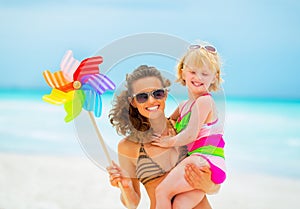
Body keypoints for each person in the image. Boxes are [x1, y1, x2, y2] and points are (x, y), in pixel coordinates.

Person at [107, 65, 220, 209]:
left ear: (165, 94)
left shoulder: (184, 128)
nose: (151, 101)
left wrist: (210, 187)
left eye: (157, 93)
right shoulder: (128, 146)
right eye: (142, 96)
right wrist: (126, 186)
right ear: (133, 102)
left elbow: (214, 172)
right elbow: (132, 203)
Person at [151, 42, 226, 209]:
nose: (198, 78)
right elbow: (166, 123)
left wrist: (168, 142)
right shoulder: (184, 105)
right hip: (210, 164)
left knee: (162, 192)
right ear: (182, 72)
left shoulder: (204, 101)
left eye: (205, 74)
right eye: (193, 72)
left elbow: (191, 135)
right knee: (180, 204)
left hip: (204, 158)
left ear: (214, 77)